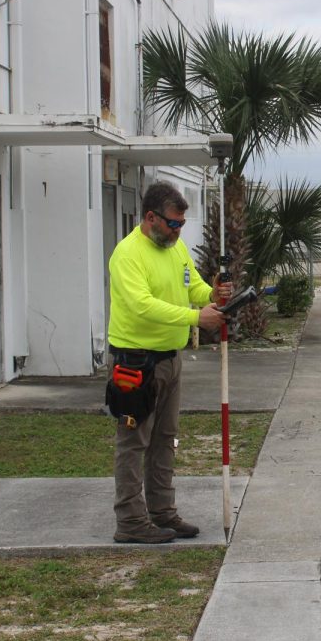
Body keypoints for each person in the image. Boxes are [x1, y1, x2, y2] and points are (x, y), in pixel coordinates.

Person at [107, 182, 229, 544]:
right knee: (133, 442)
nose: (178, 232)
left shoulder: (174, 249)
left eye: (181, 225)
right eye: (173, 224)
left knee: (165, 439)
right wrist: (196, 318)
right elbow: (141, 305)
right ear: (150, 218)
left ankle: (161, 512)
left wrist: (213, 293)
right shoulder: (128, 254)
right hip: (136, 363)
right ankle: (129, 520)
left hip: (169, 360)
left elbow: (191, 286)